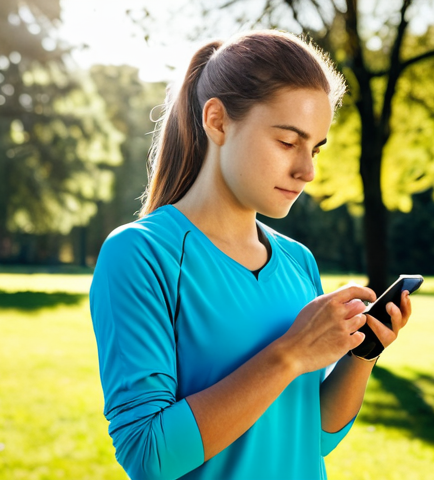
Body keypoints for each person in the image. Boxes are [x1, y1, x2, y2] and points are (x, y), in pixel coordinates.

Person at [89, 30, 413, 480]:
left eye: (315, 148)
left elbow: (313, 436)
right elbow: (148, 455)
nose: (308, 171)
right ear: (218, 121)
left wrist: (362, 352)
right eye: (287, 142)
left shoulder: (299, 262)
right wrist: (291, 353)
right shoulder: (140, 253)